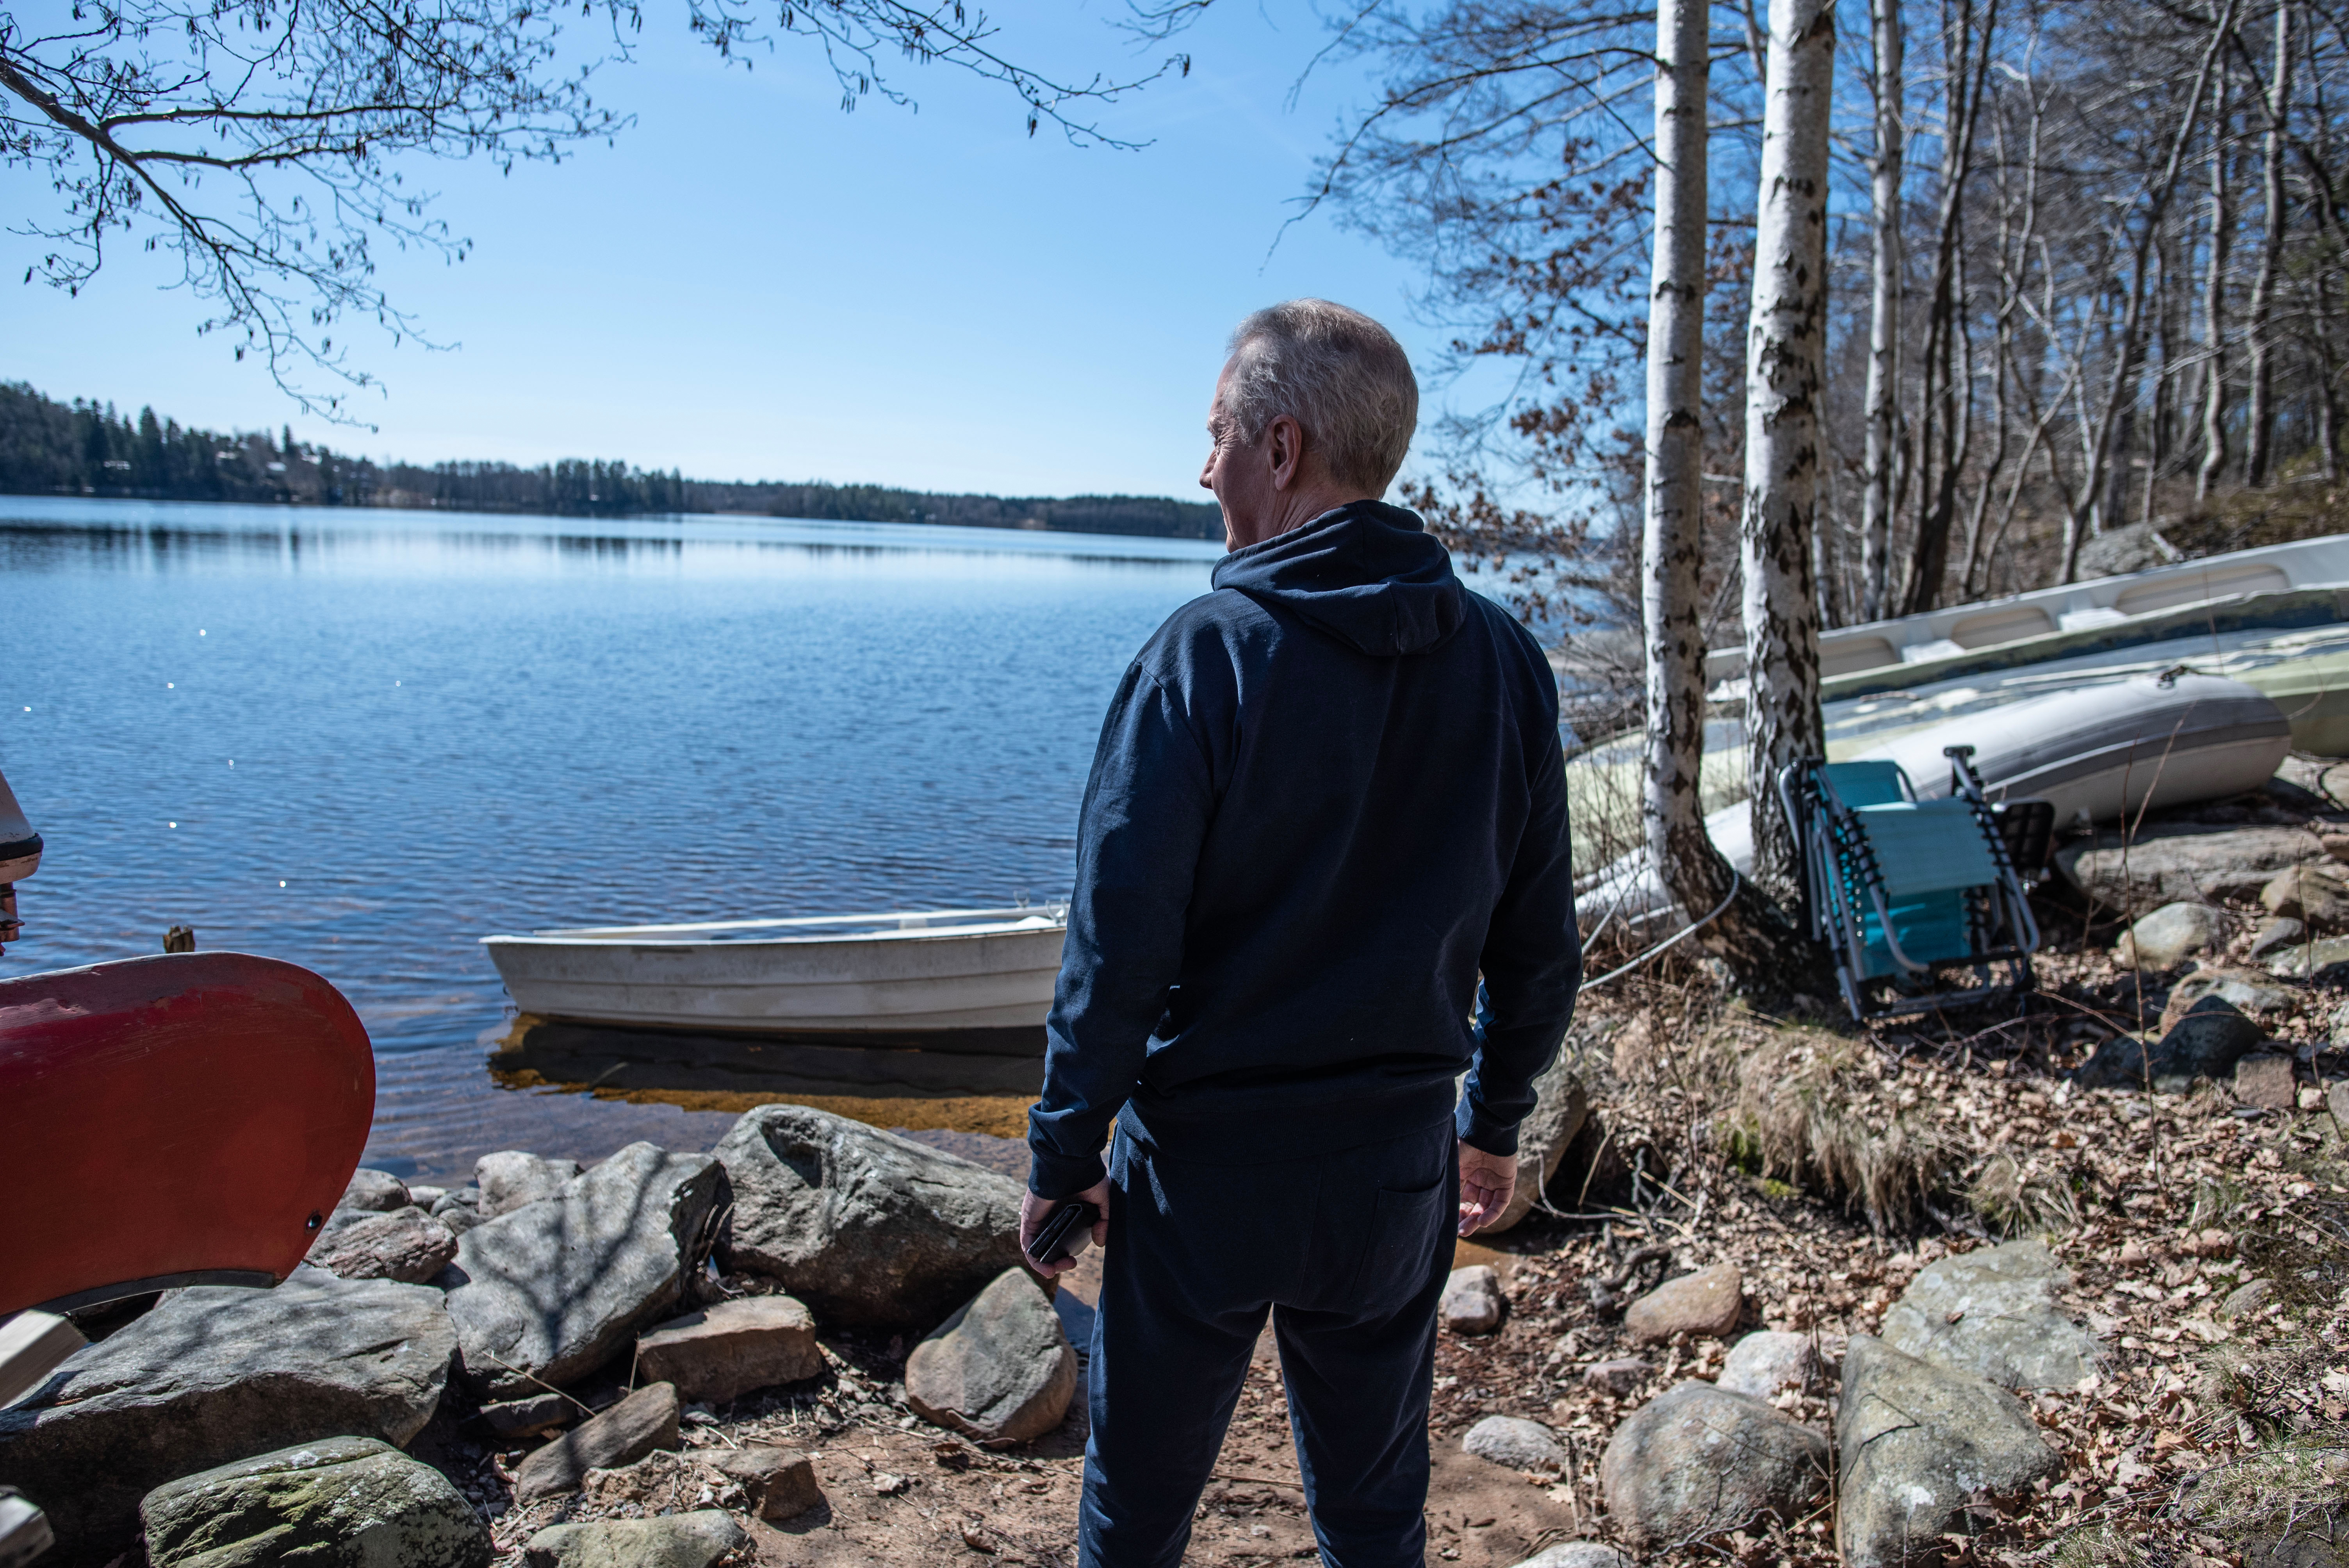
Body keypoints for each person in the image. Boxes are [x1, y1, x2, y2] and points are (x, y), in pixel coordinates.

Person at [1021, 298, 1581, 1568]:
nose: (1201, 466)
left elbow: (1117, 948)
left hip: (1206, 1179)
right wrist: (1491, 1126)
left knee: (1136, 1516)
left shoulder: (1205, 658)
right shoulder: (1502, 659)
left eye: (1216, 435)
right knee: (1376, 1517)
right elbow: (1539, 944)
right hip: (1390, 1180)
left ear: (1280, 449)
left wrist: (1064, 1148)